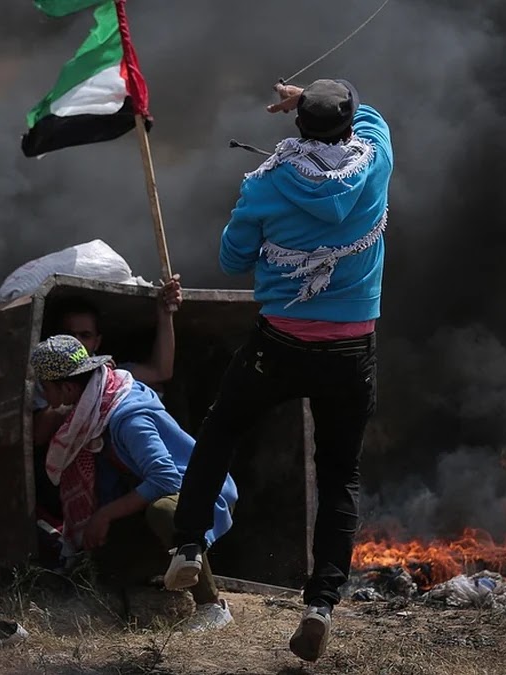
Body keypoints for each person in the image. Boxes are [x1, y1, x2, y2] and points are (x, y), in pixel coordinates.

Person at [165, 78, 392, 662]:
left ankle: (188, 547)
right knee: (339, 474)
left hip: (280, 345)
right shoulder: (375, 160)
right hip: (350, 353)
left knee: (220, 433)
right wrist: (316, 100)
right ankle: (319, 605)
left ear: (297, 127)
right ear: (347, 124)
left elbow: (232, 258)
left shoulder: (266, 186)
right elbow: (372, 119)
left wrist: (272, 227)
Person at [30, 334, 240, 632]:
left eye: (44, 387)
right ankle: (163, 583)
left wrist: (104, 515)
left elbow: (166, 477)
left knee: (165, 512)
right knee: (103, 560)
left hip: (196, 493)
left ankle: (212, 606)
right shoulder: (92, 413)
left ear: (65, 387)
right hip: (155, 492)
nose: (41, 394)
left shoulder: (126, 416)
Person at [33, 275, 184, 447]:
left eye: (85, 335)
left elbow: (161, 372)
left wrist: (165, 313)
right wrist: (83, 397)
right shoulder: (46, 376)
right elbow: (36, 436)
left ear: (97, 342)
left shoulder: (111, 376)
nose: (77, 342)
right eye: (69, 335)